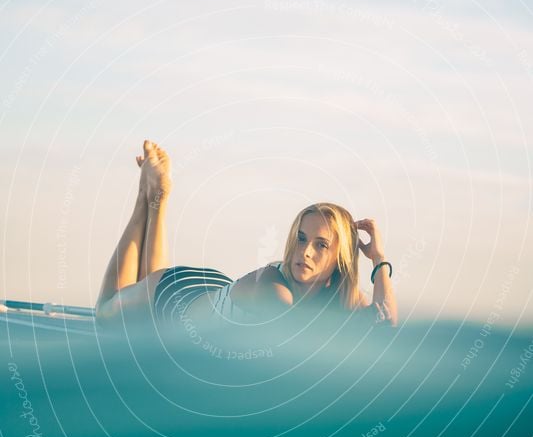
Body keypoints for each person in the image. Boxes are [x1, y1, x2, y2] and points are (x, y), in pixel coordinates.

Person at [95, 141, 397, 328]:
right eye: (302, 238)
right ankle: (146, 197)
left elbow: (389, 324)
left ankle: (156, 199)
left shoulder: (340, 294)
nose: (305, 251)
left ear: (339, 260)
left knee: (147, 322)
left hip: (217, 290)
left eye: (321, 245)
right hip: (177, 294)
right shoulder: (272, 286)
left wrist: (379, 260)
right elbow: (299, 334)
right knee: (106, 313)